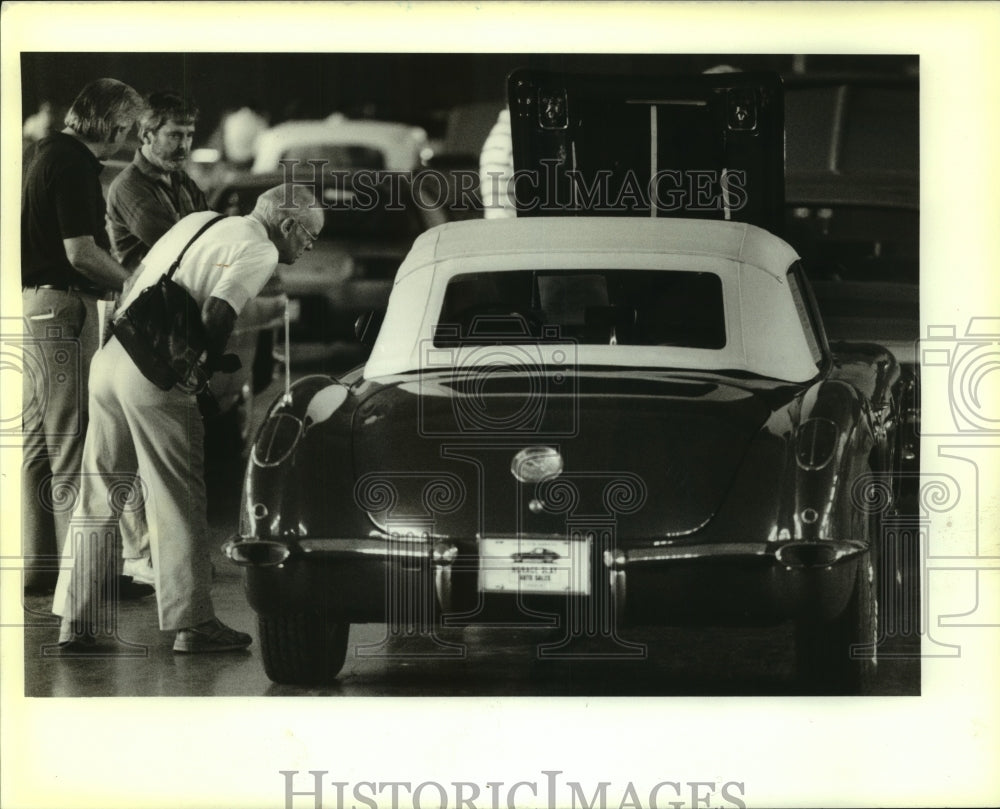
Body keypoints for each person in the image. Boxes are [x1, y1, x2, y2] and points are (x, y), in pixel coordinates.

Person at [53, 184, 324, 652]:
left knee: (99, 494)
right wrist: (197, 372)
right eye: (310, 235)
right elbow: (219, 311)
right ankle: (194, 624)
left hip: (113, 355)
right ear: (288, 225)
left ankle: (76, 621)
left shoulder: (199, 221)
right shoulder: (258, 248)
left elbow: (136, 279)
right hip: (156, 372)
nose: (310, 246)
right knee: (177, 498)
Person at [21, 78, 145, 594]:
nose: (130, 137)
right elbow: (81, 252)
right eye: (131, 128)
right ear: (114, 124)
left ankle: (40, 568)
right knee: (72, 442)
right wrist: (137, 282)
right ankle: (84, 580)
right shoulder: (72, 162)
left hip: (35, 304)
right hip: (62, 306)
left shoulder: (45, 152)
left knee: (38, 445)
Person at [106, 90, 208, 272]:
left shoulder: (181, 179)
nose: (184, 146)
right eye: (174, 135)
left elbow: (210, 232)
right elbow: (179, 248)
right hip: (146, 297)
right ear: (147, 135)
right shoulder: (129, 186)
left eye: (189, 135)